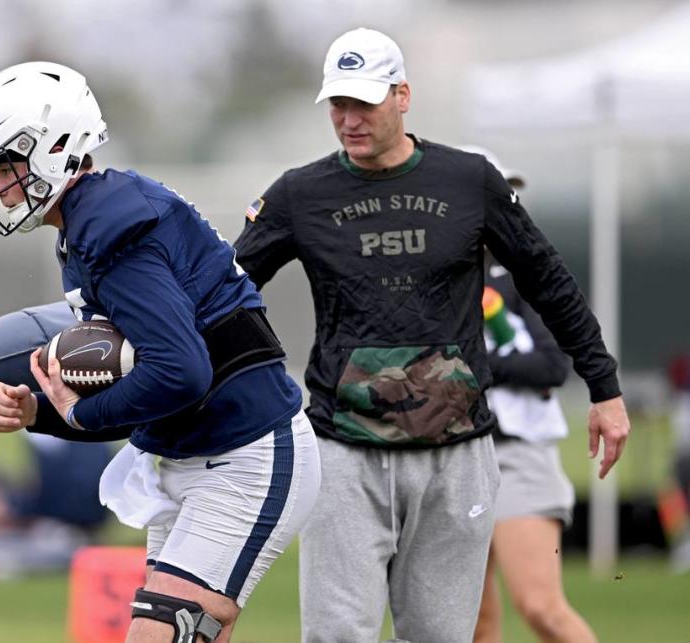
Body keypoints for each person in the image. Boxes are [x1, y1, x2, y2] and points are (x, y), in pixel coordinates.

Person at [233, 28, 630, 643]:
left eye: (363, 102)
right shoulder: (299, 194)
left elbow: (548, 280)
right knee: (336, 637)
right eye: (337, 104)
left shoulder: (469, 180)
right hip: (344, 454)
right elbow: (226, 289)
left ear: (402, 96)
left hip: (457, 456)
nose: (348, 119)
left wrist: (604, 389)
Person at [0, 62, 320, 643]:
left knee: (159, 635)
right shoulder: (91, 221)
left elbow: (179, 371)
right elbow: (145, 383)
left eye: (8, 164)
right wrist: (42, 411)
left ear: (54, 149)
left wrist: (78, 412)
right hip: (194, 454)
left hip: (245, 455)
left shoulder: (110, 226)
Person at [460, 146, 597, 643]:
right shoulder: (426, 281)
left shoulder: (525, 274)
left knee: (541, 607)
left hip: (517, 454)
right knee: (473, 623)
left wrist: (468, 364)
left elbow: (551, 365)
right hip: (452, 459)